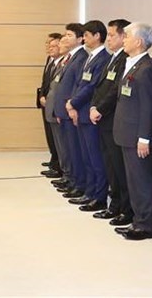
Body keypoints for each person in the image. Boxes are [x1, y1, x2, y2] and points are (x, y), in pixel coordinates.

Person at [113, 22, 152, 241]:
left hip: (137, 136)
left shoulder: (147, 68)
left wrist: (144, 137)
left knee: (142, 181)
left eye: (127, 36)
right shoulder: (132, 64)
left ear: (139, 42)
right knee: (133, 180)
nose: (123, 40)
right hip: (126, 132)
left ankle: (145, 226)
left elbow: (148, 106)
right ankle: (138, 221)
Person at [89, 19, 133, 226]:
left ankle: (125, 209)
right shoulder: (113, 58)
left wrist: (99, 108)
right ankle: (114, 205)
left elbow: (115, 89)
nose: (108, 39)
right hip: (103, 119)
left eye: (112, 35)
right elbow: (101, 87)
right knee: (110, 166)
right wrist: (93, 107)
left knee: (118, 167)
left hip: (112, 118)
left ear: (125, 36)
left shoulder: (126, 59)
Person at [66, 20, 111, 212]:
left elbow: (91, 86)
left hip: (90, 113)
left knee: (95, 158)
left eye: (86, 35)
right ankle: (90, 192)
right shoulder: (89, 57)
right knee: (86, 157)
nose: (83, 38)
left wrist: (73, 103)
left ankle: (98, 196)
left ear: (97, 36)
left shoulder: (103, 59)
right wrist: (72, 105)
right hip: (81, 112)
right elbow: (79, 83)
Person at [53, 23, 88, 200]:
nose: (64, 38)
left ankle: (78, 183)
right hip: (64, 110)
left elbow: (78, 85)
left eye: (68, 35)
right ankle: (72, 180)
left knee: (75, 150)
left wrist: (72, 106)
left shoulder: (81, 57)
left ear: (80, 38)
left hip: (72, 110)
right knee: (69, 149)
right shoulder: (69, 57)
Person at [38, 32, 63, 178]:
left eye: (53, 45)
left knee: (56, 137)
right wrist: (42, 95)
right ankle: (53, 159)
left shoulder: (62, 62)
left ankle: (57, 164)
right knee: (49, 134)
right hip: (45, 102)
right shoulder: (50, 60)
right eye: (48, 45)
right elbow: (45, 82)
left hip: (54, 103)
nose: (50, 48)